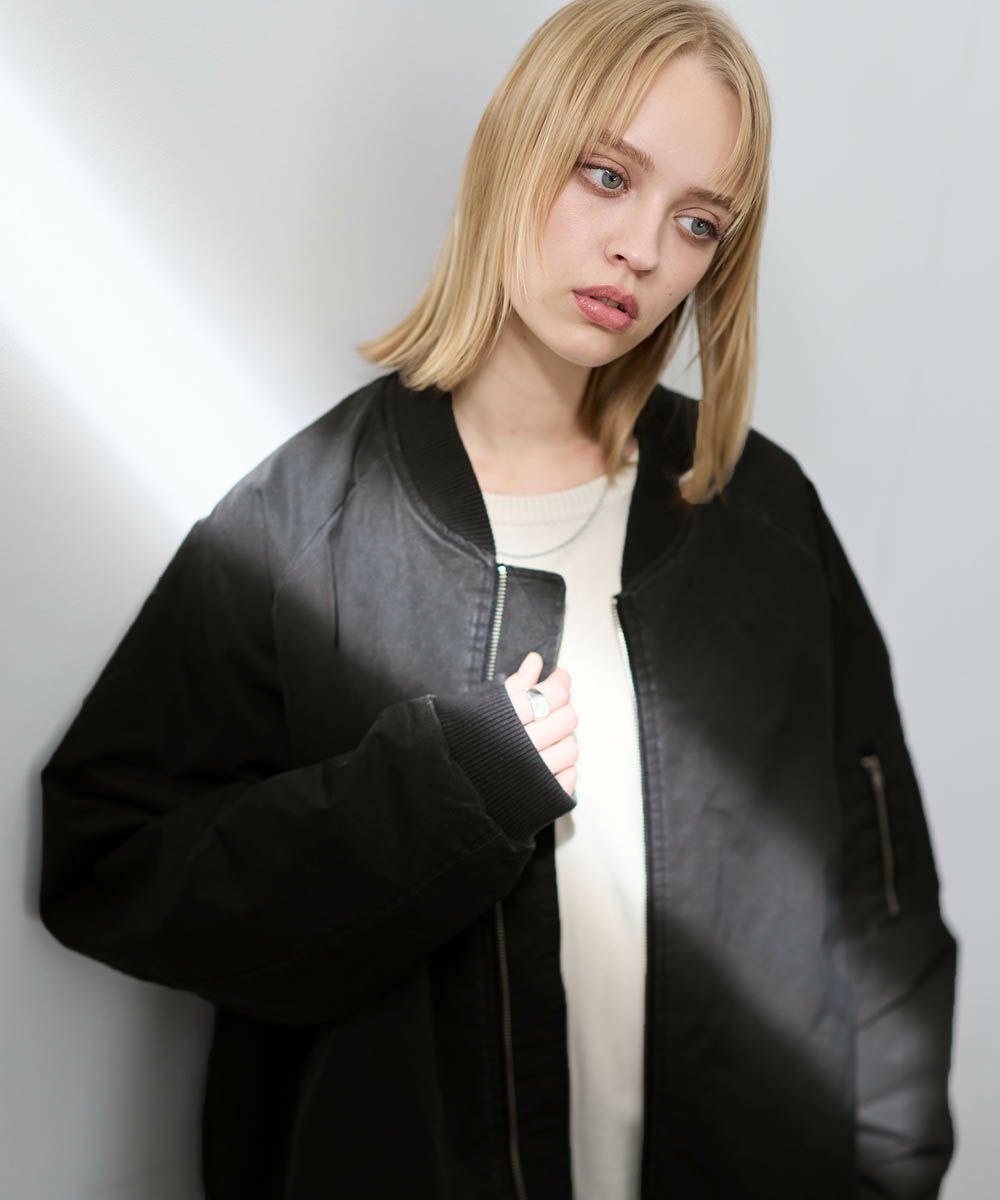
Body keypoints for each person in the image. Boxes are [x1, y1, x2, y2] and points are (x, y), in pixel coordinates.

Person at [38, 1, 959, 1197]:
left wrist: (892, 1176)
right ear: (515, 145)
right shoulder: (309, 525)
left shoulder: (763, 519)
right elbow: (110, 863)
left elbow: (882, 912)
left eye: (696, 222)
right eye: (605, 175)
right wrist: (433, 796)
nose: (642, 250)